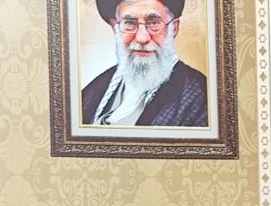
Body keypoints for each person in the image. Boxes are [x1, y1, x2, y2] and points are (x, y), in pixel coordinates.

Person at [81, 0, 209, 127]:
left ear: (174, 28)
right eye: (129, 23)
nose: (142, 38)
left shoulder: (202, 98)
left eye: (154, 23)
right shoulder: (95, 88)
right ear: (116, 27)